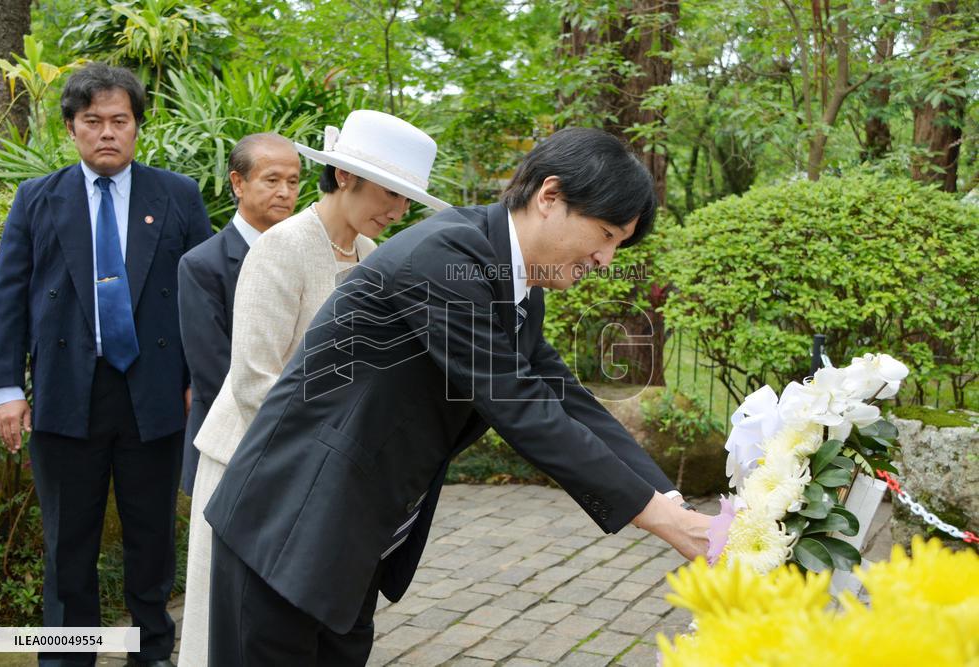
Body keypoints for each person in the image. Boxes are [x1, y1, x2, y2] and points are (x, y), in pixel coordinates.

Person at [203, 127, 712, 666]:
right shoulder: (444, 257)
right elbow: (517, 404)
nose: (606, 259)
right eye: (606, 234)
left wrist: (670, 500)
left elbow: (562, 395)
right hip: (289, 526)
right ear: (550, 197)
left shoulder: (515, 285)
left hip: (350, 542)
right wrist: (661, 521)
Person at [177, 110, 448, 667]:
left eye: (407, 200)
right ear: (344, 177)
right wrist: (334, 456)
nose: (399, 211)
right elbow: (255, 380)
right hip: (251, 464)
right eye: (390, 193)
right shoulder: (280, 247)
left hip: (321, 475)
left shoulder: (373, 257)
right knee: (229, 632)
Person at [0, 63, 211, 667]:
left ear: (138, 127)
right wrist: (7, 389)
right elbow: (8, 297)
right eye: (93, 121)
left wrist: (199, 381)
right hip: (66, 394)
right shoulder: (38, 198)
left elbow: (202, 296)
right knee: (69, 546)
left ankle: (151, 653)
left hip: (155, 393)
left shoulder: (178, 196)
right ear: (71, 128)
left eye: (120, 120)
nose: (107, 132)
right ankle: (67, 658)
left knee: (152, 540)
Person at [177, 133, 301, 497]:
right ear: (238, 183)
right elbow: (214, 372)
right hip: (230, 444)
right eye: (272, 180)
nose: (285, 192)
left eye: (293, 182)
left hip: (297, 445)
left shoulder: (305, 254)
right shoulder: (203, 265)